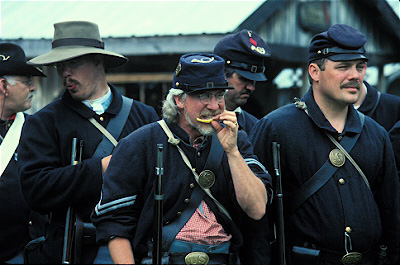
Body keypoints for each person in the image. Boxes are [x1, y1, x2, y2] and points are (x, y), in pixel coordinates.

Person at [91, 53, 272, 264]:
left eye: (219, 95)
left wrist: (232, 152)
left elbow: (257, 209)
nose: (214, 106)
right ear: (179, 100)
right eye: (203, 95)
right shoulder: (139, 143)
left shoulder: (236, 141)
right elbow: (115, 225)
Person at [250, 24, 400, 265]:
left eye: (360, 67)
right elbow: (256, 225)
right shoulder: (276, 128)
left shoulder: (376, 134)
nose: (355, 76)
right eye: (343, 67)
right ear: (314, 72)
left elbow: (393, 216)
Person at [18, 21, 159, 264]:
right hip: (75, 250)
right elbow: (36, 190)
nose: (64, 73)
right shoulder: (44, 122)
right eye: (60, 65)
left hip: (136, 247)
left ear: (97, 61)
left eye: (73, 63)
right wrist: (101, 168)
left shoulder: (144, 116)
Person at [0, 43, 46, 263]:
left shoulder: (34, 130)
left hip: (21, 251)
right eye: (27, 82)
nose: (33, 88)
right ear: (3, 86)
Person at [213, 29, 271, 135]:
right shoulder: (193, 121)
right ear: (221, 74)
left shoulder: (255, 128)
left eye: (253, 81)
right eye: (243, 78)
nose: (251, 87)